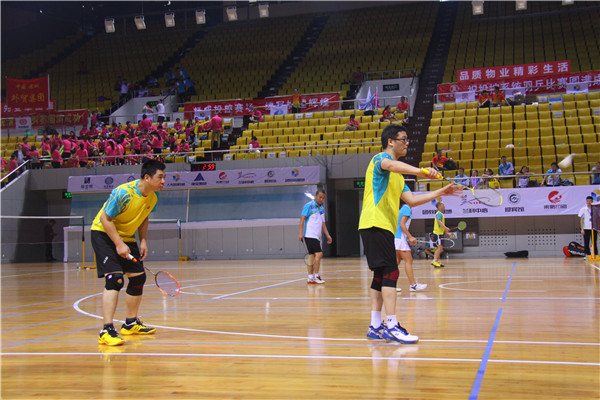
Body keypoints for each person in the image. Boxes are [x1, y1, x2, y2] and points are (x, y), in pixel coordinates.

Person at [359, 124, 462, 343]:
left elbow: (413, 200)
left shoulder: (398, 177)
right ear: (390, 141)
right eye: (403, 139)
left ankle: (375, 325)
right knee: (391, 272)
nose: (406, 143)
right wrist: (421, 171)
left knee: (380, 275)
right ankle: (391, 325)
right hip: (375, 222)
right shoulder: (379, 159)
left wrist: (442, 191)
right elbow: (391, 164)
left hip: (381, 226)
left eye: (407, 139)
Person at [92, 159, 166, 346]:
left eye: (164, 177)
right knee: (115, 278)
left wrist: (143, 241)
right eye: (160, 177)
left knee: (138, 278)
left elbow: (144, 218)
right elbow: (105, 218)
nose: (163, 181)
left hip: (126, 237)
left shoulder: (153, 197)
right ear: (147, 177)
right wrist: (118, 244)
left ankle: (130, 323)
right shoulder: (123, 193)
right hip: (103, 233)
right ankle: (106, 330)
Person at [299, 189, 333, 284]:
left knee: (312, 256)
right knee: (319, 254)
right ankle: (316, 276)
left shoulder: (321, 209)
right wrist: (300, 233)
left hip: (317, 236)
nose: (321, 199)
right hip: (309, 235)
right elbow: (302, 220)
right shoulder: (309, 206)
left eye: (323, 198)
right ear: (315, 196)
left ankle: (310, 277)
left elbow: (323, 224)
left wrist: (328, 235)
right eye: (320, 197)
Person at [395, 204, 427, 292]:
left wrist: (408, 237)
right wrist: (410, 237)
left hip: (396, 238)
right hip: (399, 238)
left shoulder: (403, 208)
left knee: (396, 262)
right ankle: (413, 285)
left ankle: (389, 285)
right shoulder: (406, 208)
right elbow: (402, 225)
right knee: (408, 261)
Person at [431, 201, 450, 268]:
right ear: (439, 206)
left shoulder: (441, 214)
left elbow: (442, 225)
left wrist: (446, 232)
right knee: (440, 248)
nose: (444, 206)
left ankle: (437, 261)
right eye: (443, 205)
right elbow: (439, 222)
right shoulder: (439, 213)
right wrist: (446, 228)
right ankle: (434, 261)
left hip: (440, 233)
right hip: (438, 233)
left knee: (440, 249)